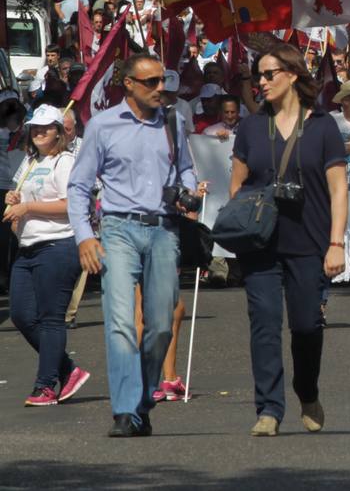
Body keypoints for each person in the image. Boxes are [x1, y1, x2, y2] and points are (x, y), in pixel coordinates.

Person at [66, 53, 203, 437]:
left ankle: (142, 400)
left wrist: (189, 191)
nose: (161, 88)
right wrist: (85, 237)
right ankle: (125, 410)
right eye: (151, 82)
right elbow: (78, 186)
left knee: (161, 326)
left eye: (163, 80)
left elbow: (185, 169)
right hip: (118, 230)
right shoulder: (103, 126)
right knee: (123, 323)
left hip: (163, 229)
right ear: (128, 84)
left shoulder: (173, 121)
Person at [229, 44, 347, 436]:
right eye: (257, 76)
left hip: (309, 241)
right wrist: (240, 220)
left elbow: (338, 188)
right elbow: (237, 184)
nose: (261, 82)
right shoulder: (249, 127)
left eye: (269, 74)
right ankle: (268, 409)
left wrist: (336, 243)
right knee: (263, 324)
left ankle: (307, 391)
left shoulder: (323, 126)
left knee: (307, 325)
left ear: (293, 74)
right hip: (260, 243)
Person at [3, 104, 91, 407]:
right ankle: (68, 369)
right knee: (21, 315)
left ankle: (45, 385)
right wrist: (13, 197)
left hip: (57, 245)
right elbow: (20, 192)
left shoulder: (66, 161)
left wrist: (27, 207)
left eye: (46, 128)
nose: (39, 132)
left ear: (58, 132)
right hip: (27, 247)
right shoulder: (30, 160)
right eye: (35, 128)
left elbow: (71, 204)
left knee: (51, 318)